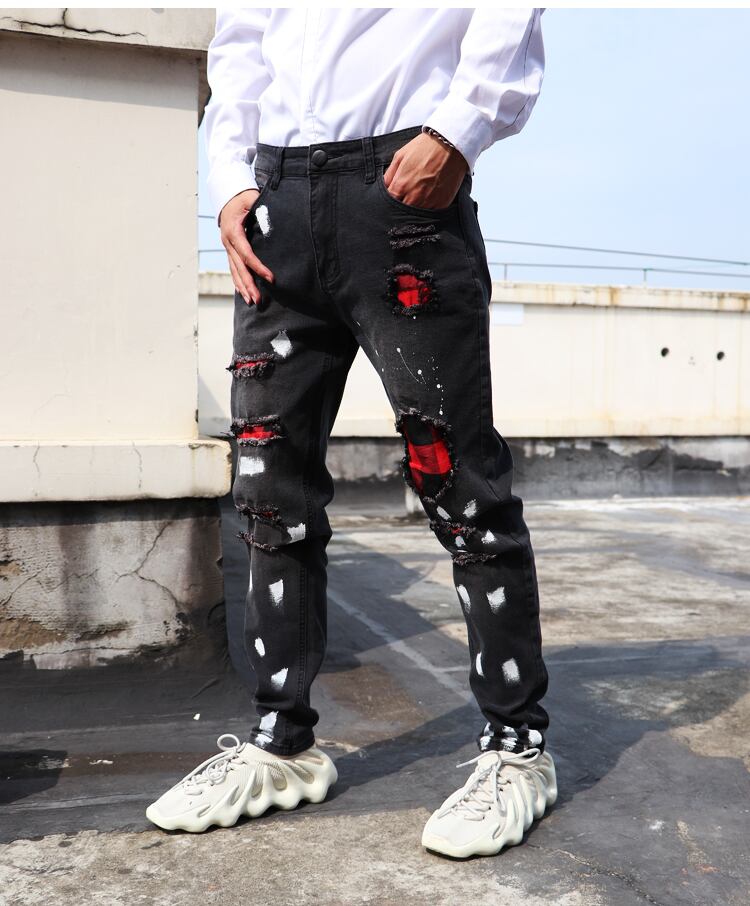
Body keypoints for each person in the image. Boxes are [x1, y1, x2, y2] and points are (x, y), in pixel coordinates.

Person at [147, 7, 556, 859]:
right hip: (275, 206)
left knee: (459, 487)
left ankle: (518, 747)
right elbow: (242, 37)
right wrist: (230, 177)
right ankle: (282, 745)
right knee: (268, 492)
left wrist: (460, 128)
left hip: (401, 194)